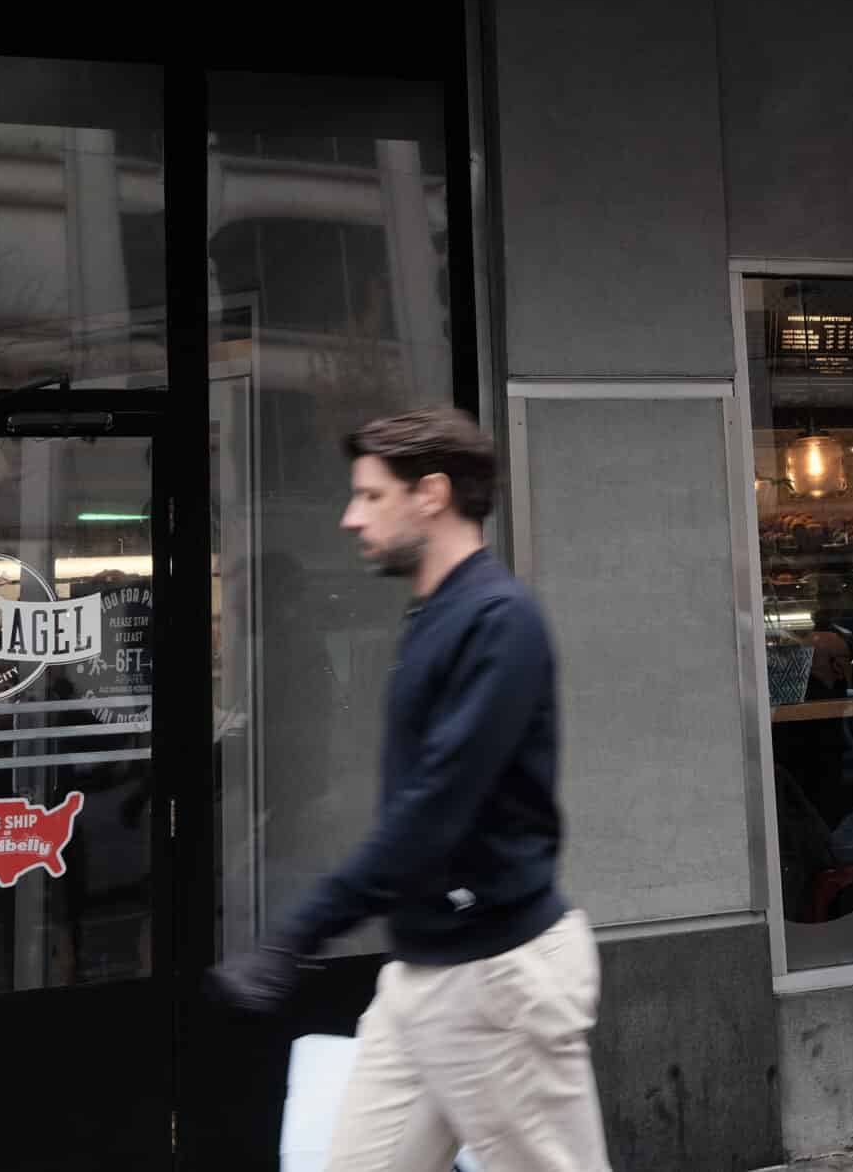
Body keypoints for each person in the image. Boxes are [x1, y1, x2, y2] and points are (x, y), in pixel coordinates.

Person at [206, 408, 609, 1172]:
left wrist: (296, 934)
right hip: (423, 974)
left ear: (431, 493)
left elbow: (434, 812)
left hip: (497, 982)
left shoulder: (499, 621)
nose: (349, 516)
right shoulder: (435, 615)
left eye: (369, 495)